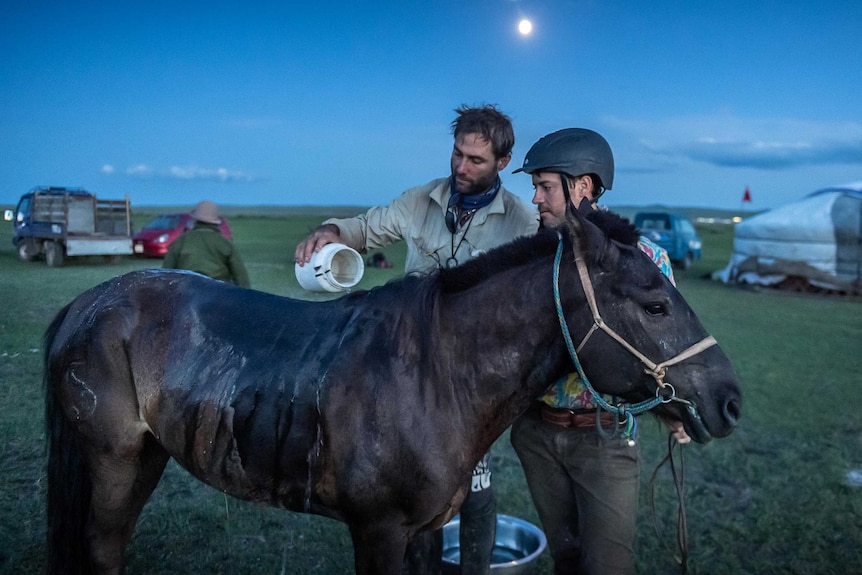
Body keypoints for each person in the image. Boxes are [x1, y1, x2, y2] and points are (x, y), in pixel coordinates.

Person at [295, 104, 538, 574]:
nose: (461, 167)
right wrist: (330, 231)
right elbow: (367, 228)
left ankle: (475, 569)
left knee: (474, 480)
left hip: (470, 382)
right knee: (411, 479)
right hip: (405, 369)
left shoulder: (522, 223)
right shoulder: (421, 200)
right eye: (457, 153)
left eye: (476, 160)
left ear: (503, 163)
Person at [509, 128, 690, 575]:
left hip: (605, 439)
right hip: (536, 434)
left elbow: (668, 348)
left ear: (583, 187)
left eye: (545, 187)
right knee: (566, 559)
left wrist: (677, 408)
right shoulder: (536, 261)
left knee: (607, 566)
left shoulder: (645, 259)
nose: (535, 198)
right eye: (534, 187)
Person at [163, 200, 251, 288]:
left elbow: (166, 273)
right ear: (215, 221)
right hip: (217, 292)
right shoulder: (224, 243)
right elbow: (241, 277)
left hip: (187, 292)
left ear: (195, 220)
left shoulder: (181, 241)